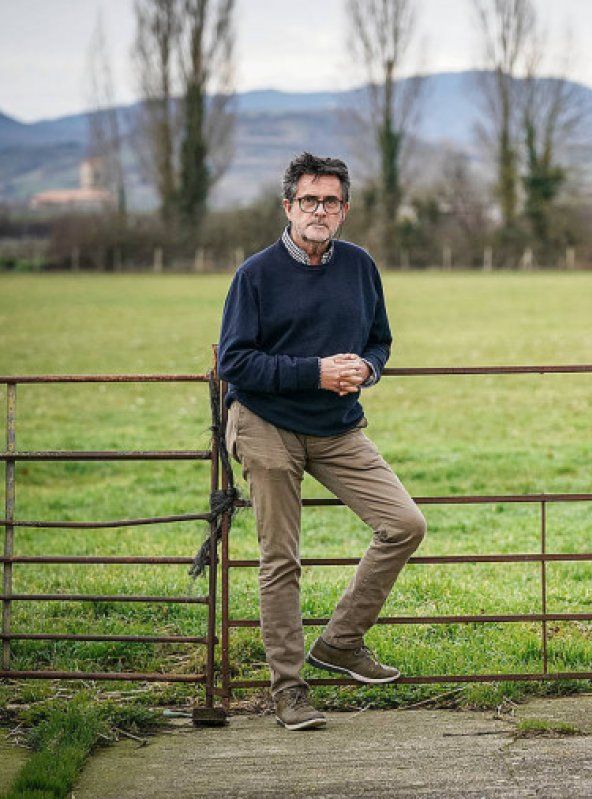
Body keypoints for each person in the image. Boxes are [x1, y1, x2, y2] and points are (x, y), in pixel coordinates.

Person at [218, 152, 426, 731]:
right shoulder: (255, 276)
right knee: (281, 560)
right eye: (308, 200)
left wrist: (368, 368)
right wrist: (314, 372)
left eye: (330, 201)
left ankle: (340, 643)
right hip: (266, 422)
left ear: (344, 211)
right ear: (288, 207)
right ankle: (289, 691)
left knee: (405, 524)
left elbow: (381, 340)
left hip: (337, 426)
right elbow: (235, 362)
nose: (319, 210)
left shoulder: (360, 267)